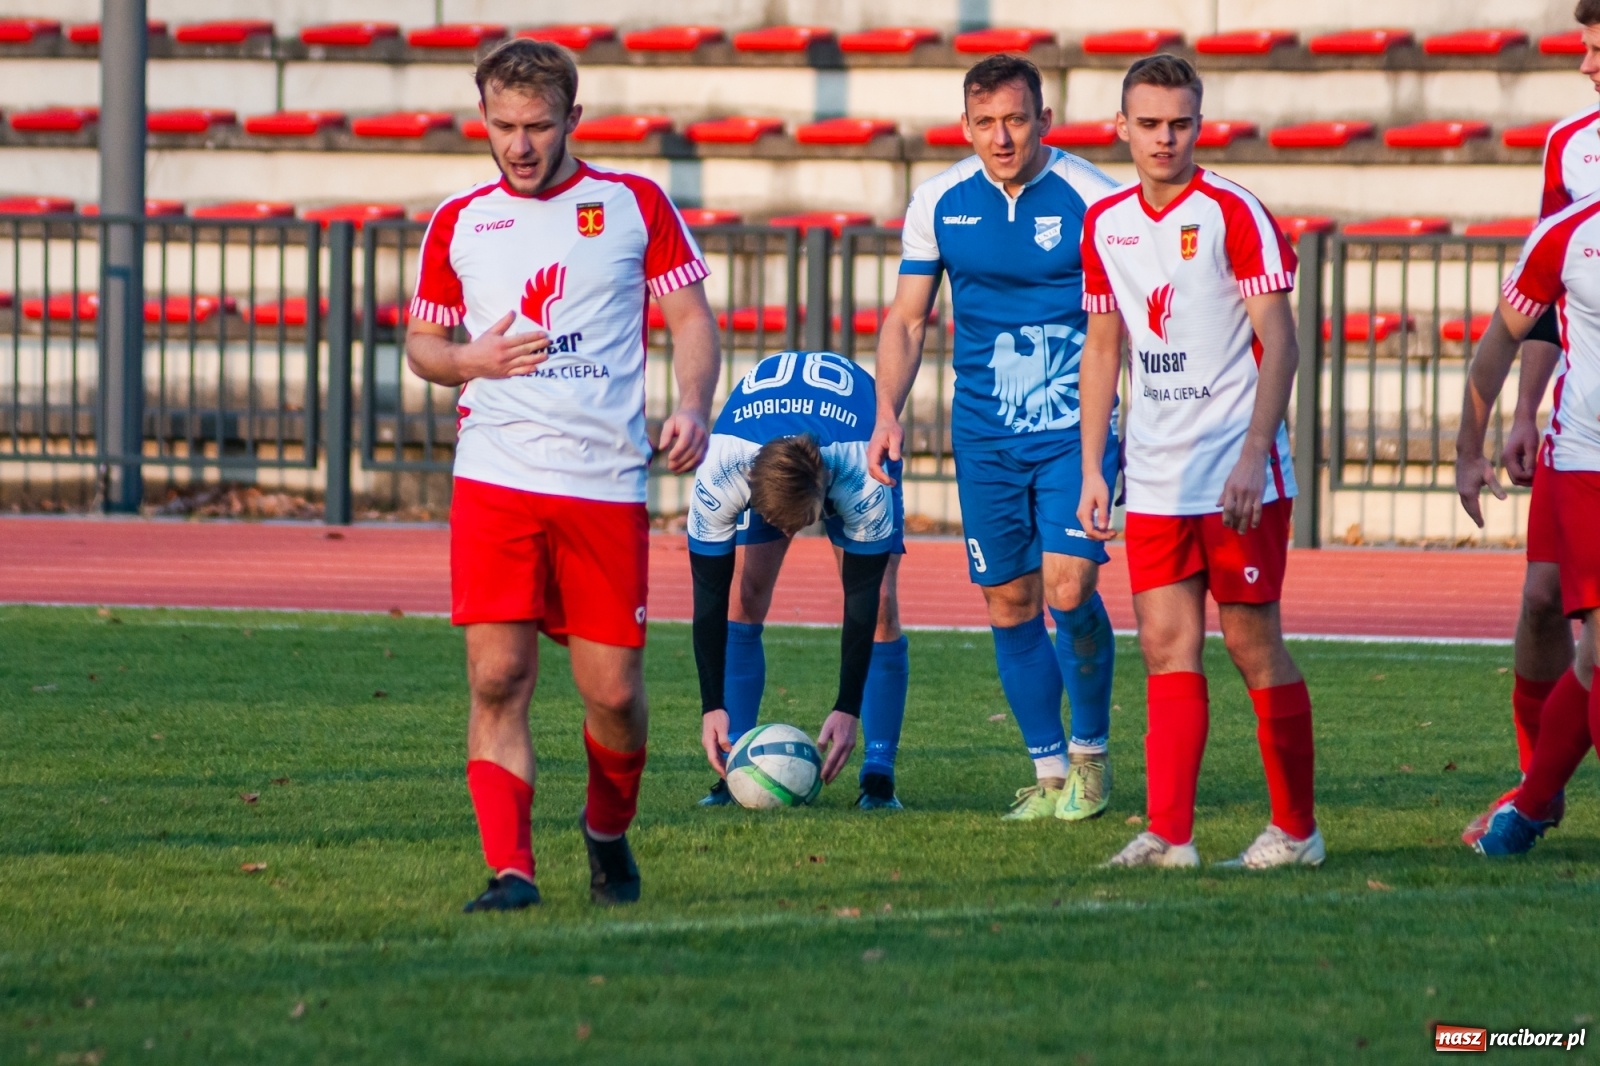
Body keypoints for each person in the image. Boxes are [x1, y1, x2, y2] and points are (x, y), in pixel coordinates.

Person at [404, 38, 720, 910]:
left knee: (612, 695)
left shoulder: (632, 205)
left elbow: (692, 319)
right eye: (503, 126)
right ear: (482, 118)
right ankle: (512, 871)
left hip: (602, 484)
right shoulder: (458, 221)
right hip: (495, 478)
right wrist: (467, 360)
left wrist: (694, 404)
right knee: (496, 678)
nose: (519, 145)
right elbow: (423, 346)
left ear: (572, 118)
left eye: (538, 126)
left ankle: (607, 830)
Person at [1076, 54, 1323, 868]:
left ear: (1199, 125)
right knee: (1163, 644)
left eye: (1180, 124)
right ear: (1121, 127)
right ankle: (1169, 836)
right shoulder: (1104, 223)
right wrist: (1093, 468)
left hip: (1235, 472)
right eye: (1149, 124)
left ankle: (1297, 831)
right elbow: (1103, 346)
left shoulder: (1233, 211)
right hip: (1155, 474)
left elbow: (1281, 339)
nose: (1165, 139)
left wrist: (1254, 454)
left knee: (1251, 643)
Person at [866, 54, 1122, 823]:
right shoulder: (939, 202)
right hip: (984, 434)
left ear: (1045, 119)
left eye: (1015, 119)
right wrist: (886, 411)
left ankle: (1091, 756)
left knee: (1069, 588)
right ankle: (1048, 775)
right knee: (1009, 600)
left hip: (1073, 429)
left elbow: (1122, 321)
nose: (1001, 138)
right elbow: (907, 320)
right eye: (986, 123)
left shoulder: (1094, 199)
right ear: (966, 126)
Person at [1457, 0, 1600, 845]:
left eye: (1599, 47)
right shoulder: (1569, 152)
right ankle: (1533, 788)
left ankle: (1532, 801)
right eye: (1586, 45)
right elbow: (1541, 303)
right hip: (1579, 438)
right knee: (1546, 604)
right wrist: (1520, 410)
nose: (1586, 64)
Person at [689, 350, 909, 809]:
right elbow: (708, 597)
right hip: (759, 437)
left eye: (800, 523)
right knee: (744, 596)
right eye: (778, 523)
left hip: (855, 430)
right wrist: (711, 705)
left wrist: (847, 708)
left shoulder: (862, 474)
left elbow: (861, 598)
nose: (789, 534)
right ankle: (735, 761)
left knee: (882, 603)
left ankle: (878, 775)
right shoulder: (721, 472)